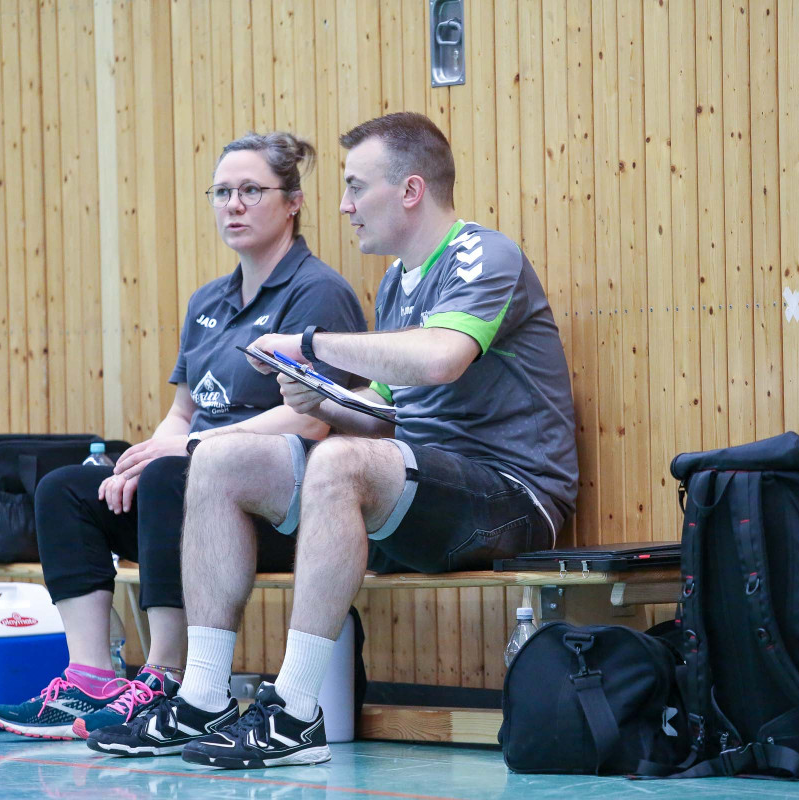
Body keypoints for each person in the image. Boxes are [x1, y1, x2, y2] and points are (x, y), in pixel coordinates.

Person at [87, 112, 578, 767]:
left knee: (339, 463)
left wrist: (309, 345)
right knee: (220, 457)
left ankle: (295, 711)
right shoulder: (398, 282)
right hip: (422, 484)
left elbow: (440, 359)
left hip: (512, 495)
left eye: (356, 186)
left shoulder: (483, 255)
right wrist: (324, 400)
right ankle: (201, 696)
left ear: (410, 190)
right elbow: (385, 414)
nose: (344, 205)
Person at [0, 132, 367, 740]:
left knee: (173, 474)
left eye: (251, 191)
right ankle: (90, 678)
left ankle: (166, 676)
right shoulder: (207, 301)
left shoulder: (318, 292)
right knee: (67, 489)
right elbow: (182, 412)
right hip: (185, 494)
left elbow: (312, 418)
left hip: (277, 510)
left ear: (293, 202)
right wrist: (140, 460)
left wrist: (184, 451)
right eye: (222, 192)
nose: (233, 205)